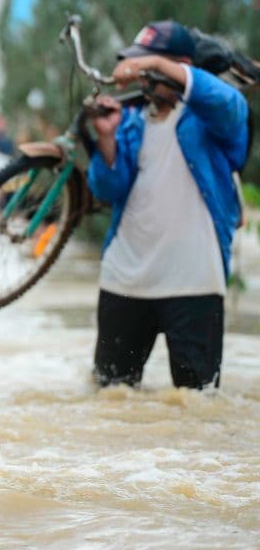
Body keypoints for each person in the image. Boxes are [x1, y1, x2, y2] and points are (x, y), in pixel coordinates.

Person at [88, 20, 248, 390]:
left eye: (151, 68)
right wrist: (107, 139)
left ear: (180, 66)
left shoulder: (210, 121)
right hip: (125, 280)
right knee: (108, 402)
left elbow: (231, 104)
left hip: (194, 284)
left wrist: (162, 67)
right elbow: (108, 188)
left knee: (196, 408)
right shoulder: (130, 122)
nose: (143, 78)